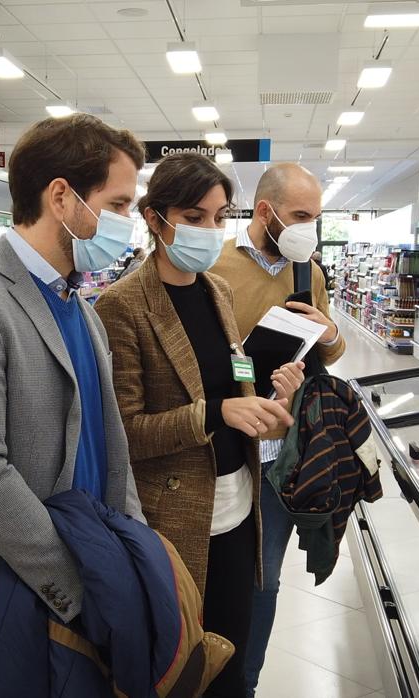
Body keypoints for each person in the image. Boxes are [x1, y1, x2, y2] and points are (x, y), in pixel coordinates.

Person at [0, 113, 147, 698]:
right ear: (61, 196)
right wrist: (75, 581)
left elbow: (107, 440)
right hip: (5, 600)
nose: (128, 223)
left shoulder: (80, 306)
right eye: (117, 205)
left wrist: (134, 556)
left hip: (87, 581)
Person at [94, 153, 302, 698]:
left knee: (230, 656)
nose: (209, 231)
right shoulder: (122, 307)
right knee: (180, 665)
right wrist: (216, 413)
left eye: (218, 217)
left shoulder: (218, 292)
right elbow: (129, 432)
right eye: (193, 217)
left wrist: (265, 402)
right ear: (155, 218)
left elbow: (233, 377)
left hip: (238, 506)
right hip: (174, 518)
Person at [207, 163, 347, 697]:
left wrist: (329, 334)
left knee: (263, 579)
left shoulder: (309, 272)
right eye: (301, 216)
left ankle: (245, 683)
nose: (309, 228)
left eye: (317, 217)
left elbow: (329, 352)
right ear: (266, 212)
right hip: (222, 446)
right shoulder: (213, 264)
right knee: (215, 572)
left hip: (280, 451)